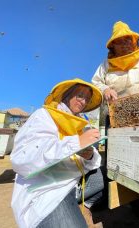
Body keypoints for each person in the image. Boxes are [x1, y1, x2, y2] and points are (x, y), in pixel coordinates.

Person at [10, 78, 104, 228]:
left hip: (73, 184)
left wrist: (89, 155)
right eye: (79, 95)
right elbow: (21, 159)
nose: (83, 101)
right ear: (66, 95)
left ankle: (84, 207)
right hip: (48, 191)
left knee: (102, 175)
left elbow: (93, 162)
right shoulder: (43, 116)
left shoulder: (80, 125)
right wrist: (76, 143)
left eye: (86, 98)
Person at [92, 21, 139, 102]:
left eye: (127, 39)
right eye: (119, 41)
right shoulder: (105, 65)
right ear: (113, 46)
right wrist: (105, 90)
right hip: (114, 109)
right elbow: (96, 82)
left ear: (133, 41)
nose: (124, 44)